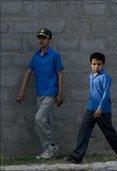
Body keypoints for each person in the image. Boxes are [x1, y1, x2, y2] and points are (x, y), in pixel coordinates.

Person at [65, 52, 117, 164]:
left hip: (103, 111)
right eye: (94, 64)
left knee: (110, 134)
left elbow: (106, 94)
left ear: (103, 64)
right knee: (83, 131)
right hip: (90, 110)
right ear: (90, 64)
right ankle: (77, 157)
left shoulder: (105, 77)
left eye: (99, 64)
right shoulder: (91, 76)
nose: (96, 66)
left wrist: (100, 108)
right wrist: (91, 106)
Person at [16, 28, 64, 159]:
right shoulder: (35, 56)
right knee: (46, 122)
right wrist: (22, 91)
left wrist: (60, 93)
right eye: (40, 37)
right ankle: (50, 150)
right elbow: (27, 73)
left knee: (38, 118)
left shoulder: (55, 55)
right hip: (40, 93)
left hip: (51, 92)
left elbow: (60, 73)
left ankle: (50, 147)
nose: (41, 40)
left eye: (44, 38)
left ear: (50, 40)